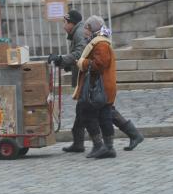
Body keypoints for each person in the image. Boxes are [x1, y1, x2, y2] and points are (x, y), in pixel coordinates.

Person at [48, 11, 144, 153]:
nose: (63, 26)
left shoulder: (95, 40)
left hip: (96, 85)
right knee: (91, 111)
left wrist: (68, 61)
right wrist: (71, 64)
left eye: (65, 22)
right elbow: (85, 56)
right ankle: (88, 143)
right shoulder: (91, 37)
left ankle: (101, 144)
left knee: (92, 112)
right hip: (92, 83)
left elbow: (86, 58)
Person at [73, 15, 117, 158]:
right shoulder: (97, 42)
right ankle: (105, 147)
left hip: (101, 87)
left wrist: (82, 63)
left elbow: (99, 65)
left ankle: (103, 146)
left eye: (86, 27)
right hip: (102, 86)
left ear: (91, 28)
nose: (84, 30)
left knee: (90, 114)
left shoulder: (101, 44)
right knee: (103, 116)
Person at [48, 10, 87, 152]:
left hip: (88, 78)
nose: (64, 25)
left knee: (96, 112)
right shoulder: (77, 32)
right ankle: (78, 143)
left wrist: (61, 59)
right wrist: (67, 65)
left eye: (65, 22)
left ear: (72, 23)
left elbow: (79, 53)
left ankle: (131, 133)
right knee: (83, 110)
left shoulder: (79, 32)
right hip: (84, 76)